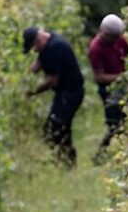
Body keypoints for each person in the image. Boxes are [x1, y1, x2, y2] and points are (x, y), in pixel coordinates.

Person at [24, 25, 85, 166]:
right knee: (61, 128)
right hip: (64, 93)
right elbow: (38, 63)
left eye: (34, 47)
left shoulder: (55, 47)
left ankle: (66, 162)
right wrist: (24, 77)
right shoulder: (49, 39)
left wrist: (30, 91)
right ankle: (68, 163)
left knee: (53, 130)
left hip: (70, 94)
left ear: (38, 40)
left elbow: (52, 80)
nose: (35, 50)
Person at [87, 14, 128, 162]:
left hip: (124, 85)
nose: (115, 40)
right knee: (114, 124)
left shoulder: (120, 40)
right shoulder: (95, 49)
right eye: (113, 37)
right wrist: (121, 77)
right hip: (108, 89)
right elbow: (99, 77)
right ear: (104, 33)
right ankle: (100, 156)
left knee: (127, 120)